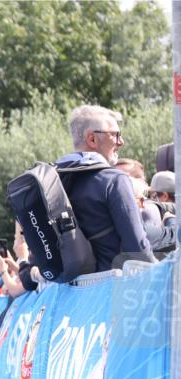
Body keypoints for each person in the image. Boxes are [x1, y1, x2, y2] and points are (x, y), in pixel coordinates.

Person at [50, 105, 155, 271]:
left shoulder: (55, 182)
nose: (121, 142)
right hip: (111, 282)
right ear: (92, 139)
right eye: (115, 135)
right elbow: (138, 250)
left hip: (68, 285)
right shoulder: (114, 180)